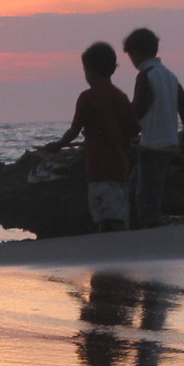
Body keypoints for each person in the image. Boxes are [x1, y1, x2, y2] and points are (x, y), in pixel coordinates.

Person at [44, 41, 140, 232]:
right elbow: (134, 129)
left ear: (89, 70)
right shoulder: (120, 96)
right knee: (117, 212)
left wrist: (58, 145)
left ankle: (120, 250)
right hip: (120, 168)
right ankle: (117, 251)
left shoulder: (87, 98)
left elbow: (74, 130)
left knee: (105, 217)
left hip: (99, 170)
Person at [123, 27, 184, 229]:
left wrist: (122, 131)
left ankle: (151, 238)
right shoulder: (169, 75)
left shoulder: (146, 75)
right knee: (134, 191)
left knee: (146, 199)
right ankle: (141, 233)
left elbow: (139, 109)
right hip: (167, 143)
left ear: (135, 53)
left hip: (152, 147)